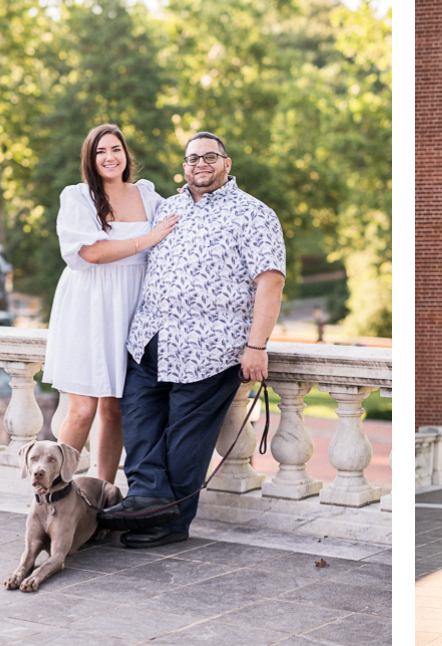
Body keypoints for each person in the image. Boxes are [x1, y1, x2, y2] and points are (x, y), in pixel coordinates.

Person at [98, 131, 285, 549]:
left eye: (209, 157)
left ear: (227, 163)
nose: (200, 164)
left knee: (186, 438)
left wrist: (257, 345)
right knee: (139, 420)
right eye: (191, 158)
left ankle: (172, 523)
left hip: (211, 349)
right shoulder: (170, 207)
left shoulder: (254, 214)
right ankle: (149, 501)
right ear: (183, 166)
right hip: (149, 339)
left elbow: (269, 283)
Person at [42, 124, 177, 484]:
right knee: (83, 409)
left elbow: (183, 223)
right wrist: (146, 239)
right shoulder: (78, 197)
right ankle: (55, 495)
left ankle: (103, 494)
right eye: (101, 151)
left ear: (126, 154)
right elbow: (92, 252)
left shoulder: (148, 197)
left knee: (115, 408)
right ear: (90, 158)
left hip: (133, 307)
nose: (109, 157)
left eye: (115, 149)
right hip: (89, 305)